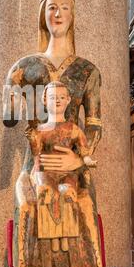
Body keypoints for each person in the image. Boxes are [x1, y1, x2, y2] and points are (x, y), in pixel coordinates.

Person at [3, 0, 103, 267]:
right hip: (35, 165)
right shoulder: (27, 66)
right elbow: (9, 118)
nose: (58, 13)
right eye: (51, 7)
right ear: (42, 16)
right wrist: (11, 90)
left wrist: (78, 160)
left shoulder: (88, 71)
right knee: (26, 207)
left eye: (64, 7)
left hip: (75, 167)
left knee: (82, 205)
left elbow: (95, 125)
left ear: (73, 16)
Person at [25, 81, 96, 258]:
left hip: (67, 173)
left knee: (67, 193)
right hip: (45, 172)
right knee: (46, 193)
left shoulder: (73, 129)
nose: (57, 101)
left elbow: (83, 150)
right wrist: (33, 140)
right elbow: (36, 154)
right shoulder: (41, 130)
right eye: (52, 97)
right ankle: (52, 236)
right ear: (44, 100)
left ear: (68, 100)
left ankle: (65, 234)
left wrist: (87, 160)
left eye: (61, 97)